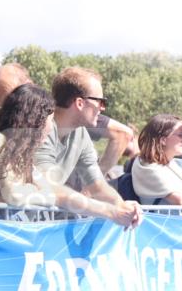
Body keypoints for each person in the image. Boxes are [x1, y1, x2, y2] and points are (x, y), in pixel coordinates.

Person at [34, 67, 142, 228]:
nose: (102, 108)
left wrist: (122, 206)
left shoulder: (81, 133)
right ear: (80, 103)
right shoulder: (41, 129)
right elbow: (50, 188)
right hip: (12, 225)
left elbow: (97, 185)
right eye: (100, 101)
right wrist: (111, 212)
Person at [0, 83, 56, 206]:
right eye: (50, 120)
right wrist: (32, 188)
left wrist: (24, 189)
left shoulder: (21, 154)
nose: (51, 127)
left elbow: (51, 195)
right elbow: (15, 196)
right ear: (35, 120)